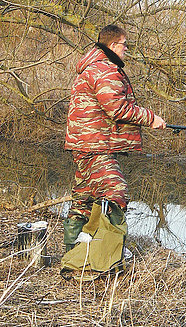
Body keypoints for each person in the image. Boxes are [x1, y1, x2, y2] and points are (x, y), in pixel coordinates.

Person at [63, 24, 166, 252]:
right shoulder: (104, 69)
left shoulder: (95, 67)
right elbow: (117, 108)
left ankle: (73, 253)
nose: (126, 49)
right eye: (124, 44)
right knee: (115, 191)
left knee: (83, 199)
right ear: (112, 45)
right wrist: (151, 118)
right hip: (94, 145)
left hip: (88, 142)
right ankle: (109, 253)